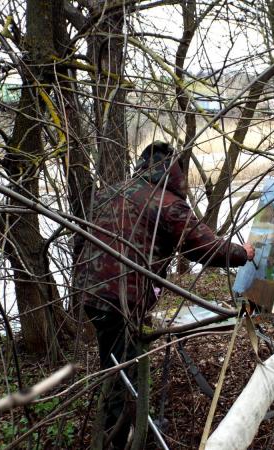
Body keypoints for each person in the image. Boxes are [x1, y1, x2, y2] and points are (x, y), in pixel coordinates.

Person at [74, 141, 254, 447]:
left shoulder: (110, 192)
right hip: (122, 301)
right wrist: (243, 253)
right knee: (123, 371)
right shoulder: (166, 203)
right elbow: (205, 248)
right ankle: (126, 438)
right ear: (175, 173)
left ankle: (124, 426)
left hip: (90, 292)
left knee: (116, 364)